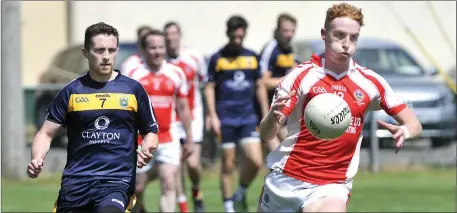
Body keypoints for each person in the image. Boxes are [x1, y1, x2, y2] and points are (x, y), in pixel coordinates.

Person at [257, 3, 423, 213]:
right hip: (286, 180)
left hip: (332, 185)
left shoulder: (370, 82)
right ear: (324, 34)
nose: (347, 43)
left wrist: (405, 131)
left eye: (353, 37)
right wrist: (272, 117)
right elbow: (266, 133)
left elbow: (414, 124)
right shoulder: (301, 77)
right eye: (339, 35)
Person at [26, 22, 159, 213]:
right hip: (76, 183)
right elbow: (46, 133)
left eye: (111, 50)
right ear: (85, 53)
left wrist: (147, 147)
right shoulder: (71, 91)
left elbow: (151, 131)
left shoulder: (133, 90)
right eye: (99, 50)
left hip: (116, 181)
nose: (106, 56)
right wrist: (37, 158)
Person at [205, 15, 269, 213]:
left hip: (248, 117)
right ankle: (228, 206)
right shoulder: (218, 58)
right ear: (228, 34)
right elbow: (209, 88)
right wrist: (212, 115)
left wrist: (266, 114)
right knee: (228, 164)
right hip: (225, 118)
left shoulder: (252, 57)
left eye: (241, 37)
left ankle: (240, 191)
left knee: (256, 161)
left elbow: (259, 87)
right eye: (234, 37)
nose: (237, 41)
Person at [127, 30, 194, 213]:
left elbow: (183, 107)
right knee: (138, 188)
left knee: (169, 182)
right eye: (152, 47)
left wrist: (189, 137)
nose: (157, 52)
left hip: (167, 137)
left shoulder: (176, 73)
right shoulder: (133, 73)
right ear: (143, 49)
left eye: (160, 47)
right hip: (139, 139)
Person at [163, 21, 207, 213]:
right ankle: (183, 205)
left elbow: (205, 84)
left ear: (180, 35)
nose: (171, 38)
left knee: (193, 163)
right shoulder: (162, 62)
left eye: (174, 34)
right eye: (167, 35)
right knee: (175, 164)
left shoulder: (194, 57)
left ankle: (196, 191)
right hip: (172, 119)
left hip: (193, 116)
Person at [258, 13, 299, 152]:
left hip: (284, 109)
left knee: (292, 151)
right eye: (286, 30)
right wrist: (288, 79)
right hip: (270, 109)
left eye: (292, 31)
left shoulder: (288, 49)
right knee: (278, 158)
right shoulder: (272, 48)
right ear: (278, 30)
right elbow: (263, 82)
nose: (289, 34)